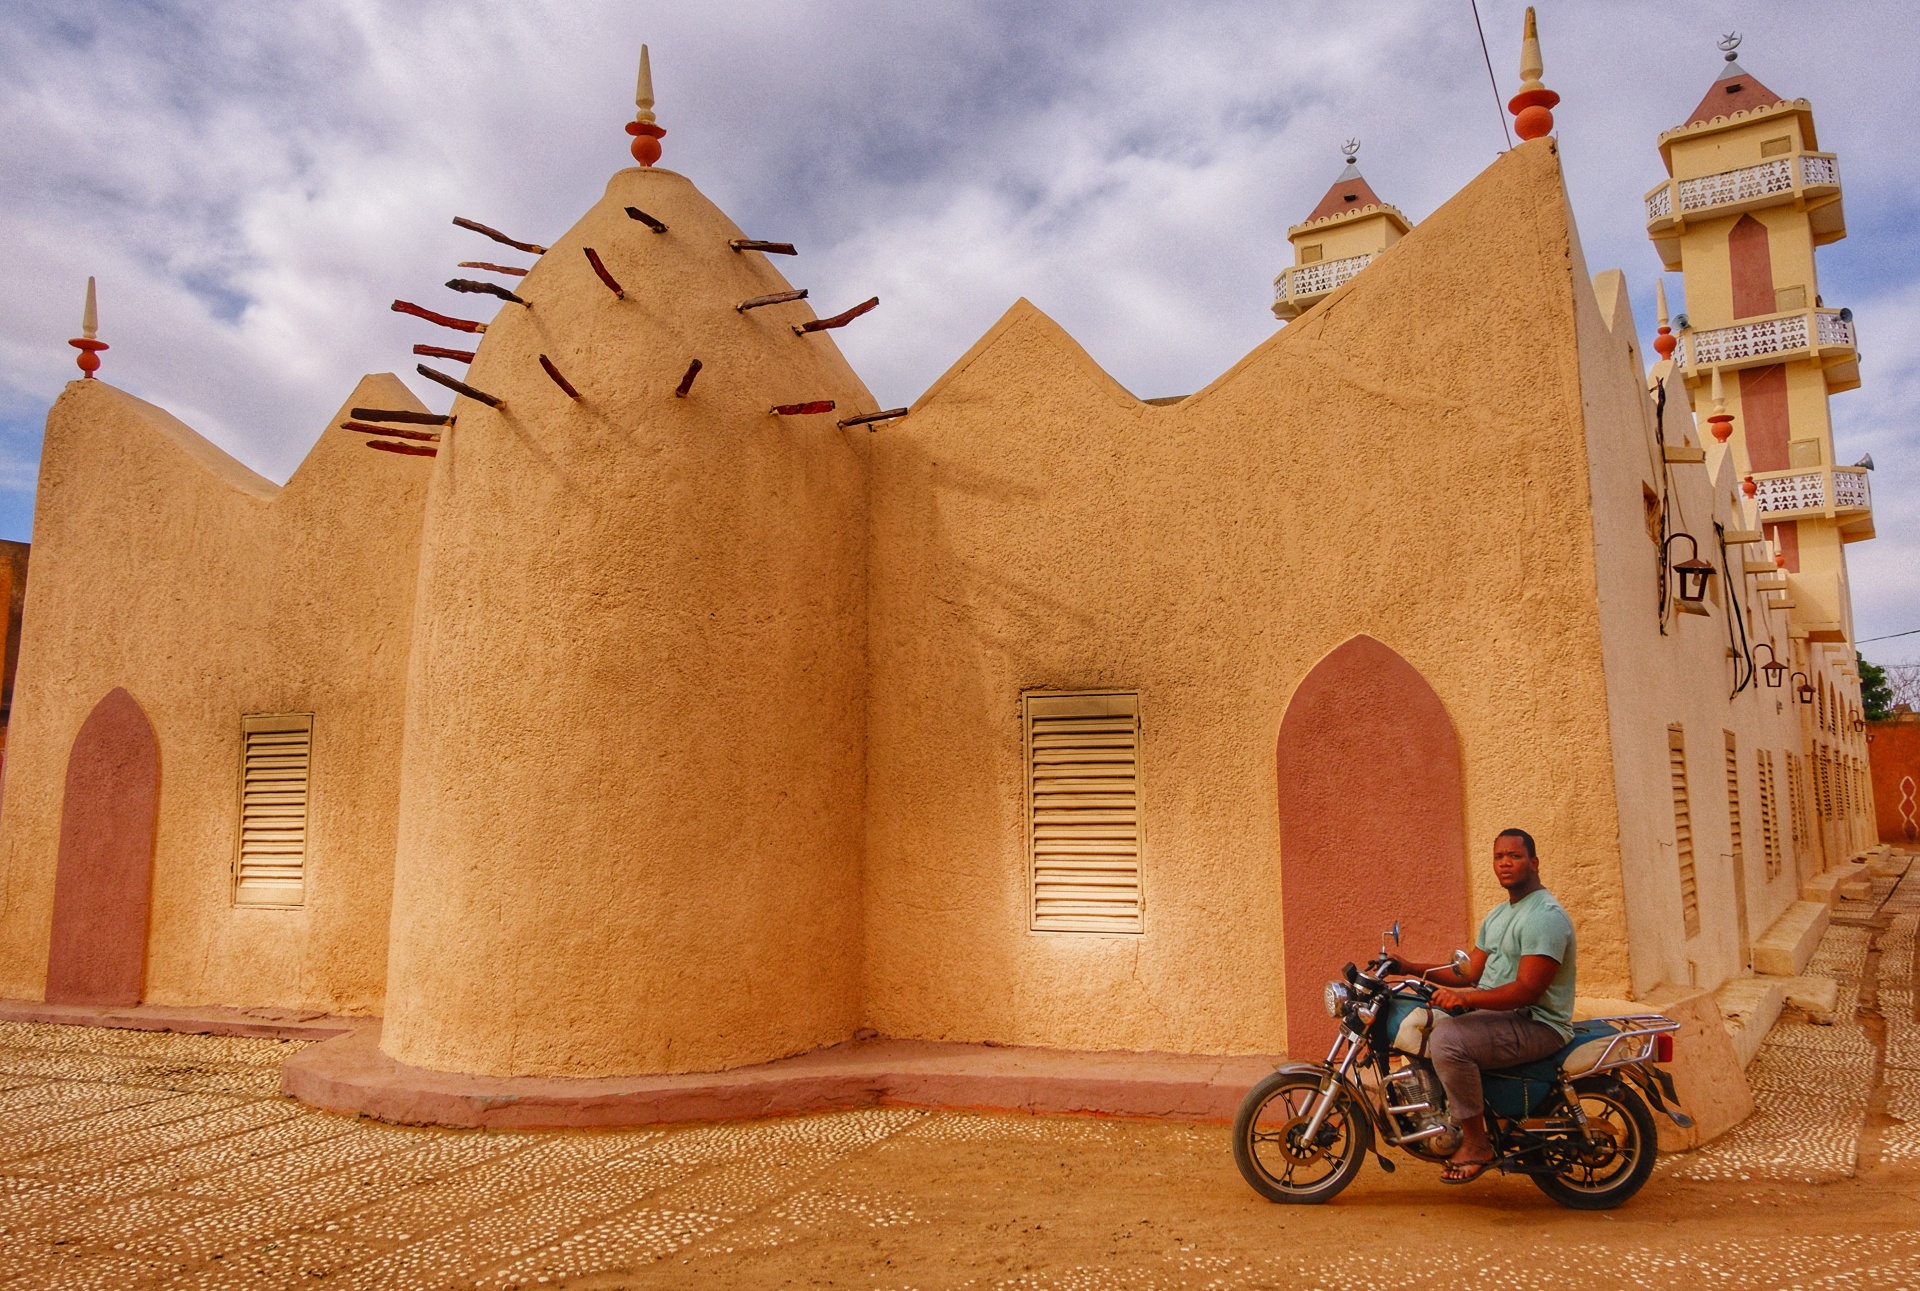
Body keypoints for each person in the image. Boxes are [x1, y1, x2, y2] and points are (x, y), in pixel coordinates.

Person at [1389, 828, 1577, 1184]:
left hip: (1536, 1023)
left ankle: (1477, 1143)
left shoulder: (1544, 916)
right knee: (1429, 1021)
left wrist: (1467, 998)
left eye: (1515, 856)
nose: (1505, 863)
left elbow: (1527, 991)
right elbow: (1470, 972)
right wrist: (1410, 968)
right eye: (1499, 857)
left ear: (1534, 862)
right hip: (1501, 1015)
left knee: (1448, 1041)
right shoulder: (1499, 914)